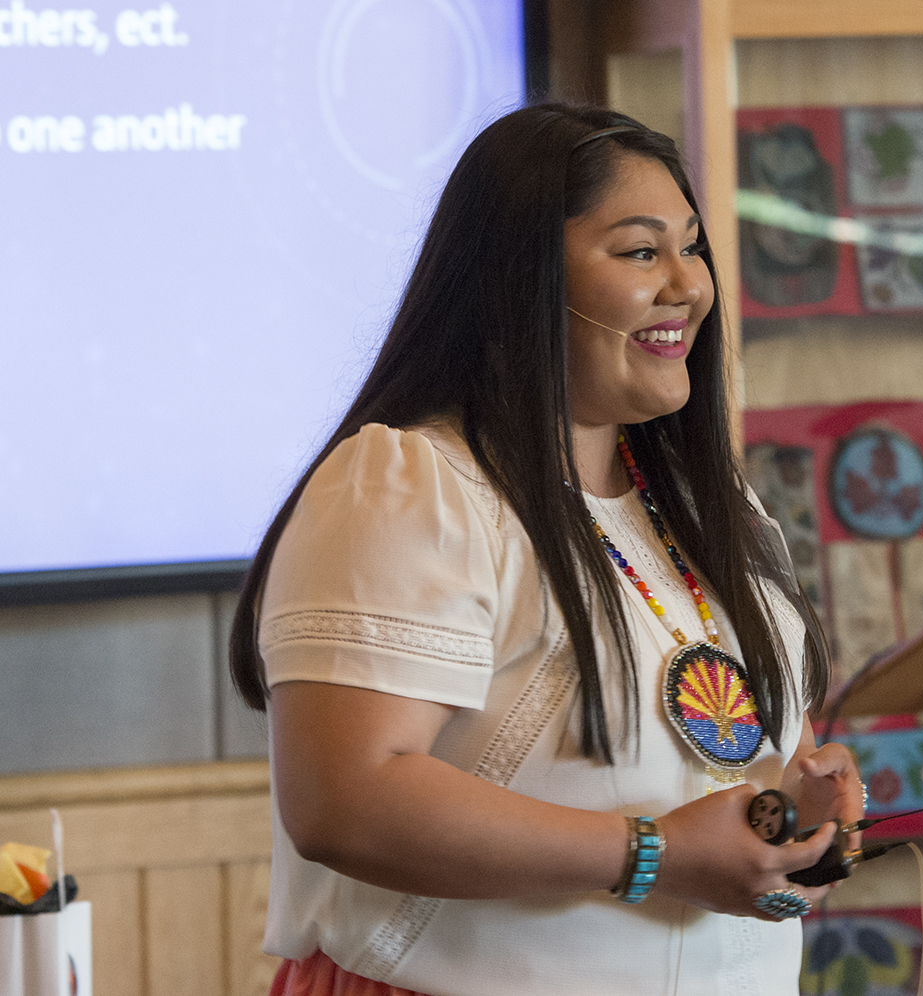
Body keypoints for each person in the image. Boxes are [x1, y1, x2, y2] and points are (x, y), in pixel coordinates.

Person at [226, 103, 862, 996]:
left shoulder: (706, 507)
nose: (689, 285)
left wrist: (793, 794)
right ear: (519, 280)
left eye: (691, 247)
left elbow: (680, 747)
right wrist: (656, 855)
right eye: (641, 252)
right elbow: (347, 801)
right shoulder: (413, 485)